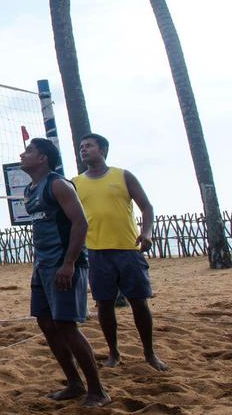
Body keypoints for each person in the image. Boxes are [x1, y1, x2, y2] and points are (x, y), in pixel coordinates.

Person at [20, 138, 111, 408]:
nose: (22, 155)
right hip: (43, 265)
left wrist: (69, 263)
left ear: (43, 158)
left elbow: (80, 223)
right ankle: (74, 383)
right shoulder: (29, 188)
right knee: (46, 323)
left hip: (64, 264)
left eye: (29, 151)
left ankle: (98, 390)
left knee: (67, 327)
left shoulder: (57, 184)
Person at [73, 133, 167, 371]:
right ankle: (113, 353)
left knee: (139, 302)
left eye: (89, 146)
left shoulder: (122, 176)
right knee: (104, 305)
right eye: (82, 147)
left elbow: (146, 207)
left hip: (127, 249)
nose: (84, 150)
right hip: (96, 252)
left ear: (103, 150)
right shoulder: (76, 182)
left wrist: (146, 233)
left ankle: (149, 353)